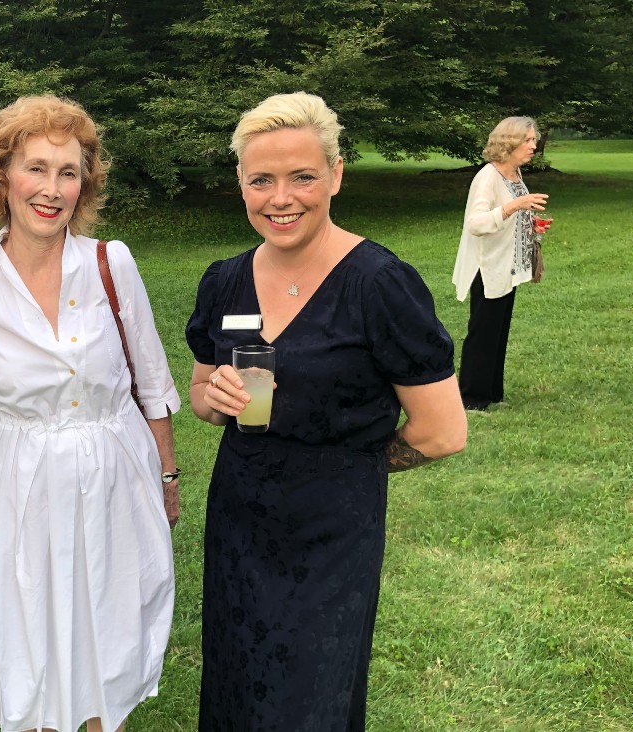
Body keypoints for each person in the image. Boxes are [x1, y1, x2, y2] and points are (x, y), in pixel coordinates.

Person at [185, 92, 467, 730]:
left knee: (309, 696)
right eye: (262, 180)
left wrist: (353, 466)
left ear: (336, 175)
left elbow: (443, 432)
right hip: (239, 519)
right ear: (241, 184)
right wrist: (216, 398)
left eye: (302, 177)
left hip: (331, 531)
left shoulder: (378, 284)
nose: (281, 197)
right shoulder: (225, 280)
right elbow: (203, 396)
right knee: (235, 680)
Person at [0, 95, 180, 732]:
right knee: (33, 640)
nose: (52, 189)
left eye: (69, 172)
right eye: (36, 168)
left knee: (111, 627)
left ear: (86, 182)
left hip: (115, 475)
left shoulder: (112, 264)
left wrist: (166, 474)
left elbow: (153, 380)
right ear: (1, 178)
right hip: (19, 487)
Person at [451, 117, 550, 412]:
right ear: (510, 142)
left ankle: (492, 393)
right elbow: (476, 223)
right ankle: (471, 399)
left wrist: (533, 225)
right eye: (529, 140)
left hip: (507, 265)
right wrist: (515, 206)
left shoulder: (515, 174)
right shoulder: (488, 177)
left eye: (534, 140)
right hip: (487, 267)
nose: (534, 145)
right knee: (483, 331)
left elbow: (513, 216)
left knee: (498, 329)